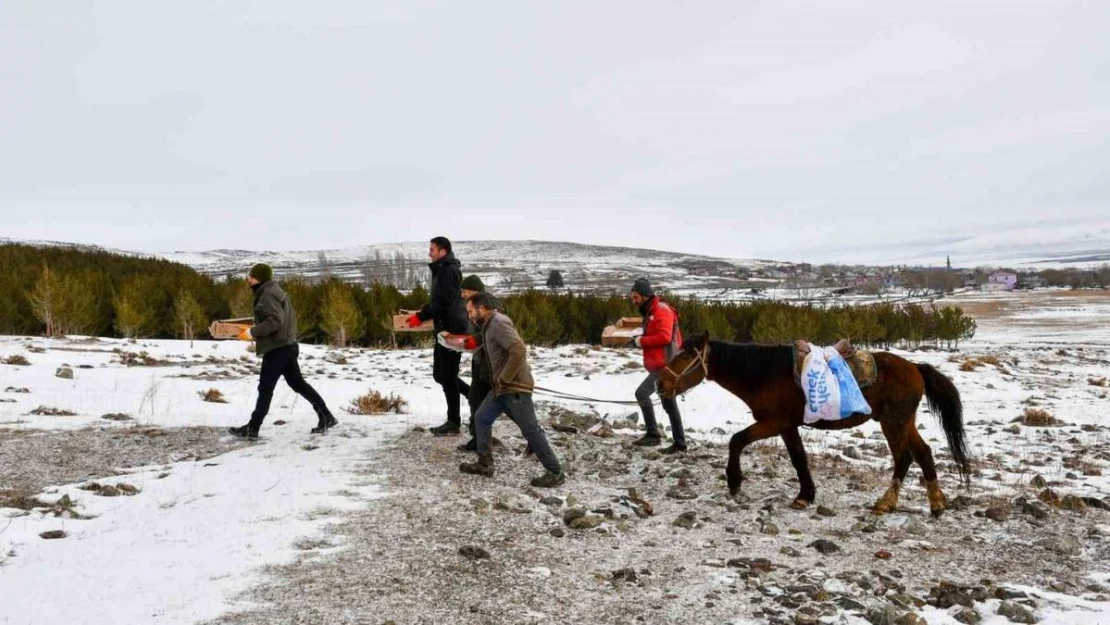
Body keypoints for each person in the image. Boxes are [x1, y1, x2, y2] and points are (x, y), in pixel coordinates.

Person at [459, 292, 564, 487]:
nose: (469, 316)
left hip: (514, 387)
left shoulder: (498, 323)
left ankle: (555, 471)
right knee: (481, 418)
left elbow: (518, 349)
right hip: (501, 388)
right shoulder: (488, 325)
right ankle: (485, 464)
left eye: (471, 311)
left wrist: (505, 378)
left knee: (530, 430)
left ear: (482, 309)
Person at [229, 263, 337, 439]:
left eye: (251, 276)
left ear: (260, 278)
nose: (249, 279)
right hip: (287, 346)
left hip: (277, 349)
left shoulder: (268, 294)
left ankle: (252, 428)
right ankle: (326, 416)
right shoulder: (274, 290)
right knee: (298, 384)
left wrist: (252, 332)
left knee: (265, 388)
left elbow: (275, 321)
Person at [406, 237, 469, 436]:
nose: (429, 253)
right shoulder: (442, 269)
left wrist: (422, 316)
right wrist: (424, 313)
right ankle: (473, 395)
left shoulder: (449, 271)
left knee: (448, 377)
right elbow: (439, 301)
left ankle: (453, 421)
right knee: (440, 375)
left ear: (443, 251)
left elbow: (444, 302)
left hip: (452, 330)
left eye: (432, 249)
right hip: (443, 329)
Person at [628, 278, 688, 453]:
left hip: (666, 365)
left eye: (636, 297)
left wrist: (640, 341)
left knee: (643, 393)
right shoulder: (652, 310)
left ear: (645, 295)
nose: (634, 301)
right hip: (661, 364)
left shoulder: (661, 310)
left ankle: (656, 435)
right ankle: (677, 442)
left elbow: (664, 337)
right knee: (668, 402)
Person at [456, 275, 504, 452]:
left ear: (475, 289)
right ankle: (478, 441)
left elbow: (495, 328)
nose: (462, 295)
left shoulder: (493, 304)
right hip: (479, 361)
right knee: (475, 400)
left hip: (493, 364)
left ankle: (532, 436)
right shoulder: (473, 304)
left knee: (508, 404)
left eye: (465, 291)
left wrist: (475, 339)